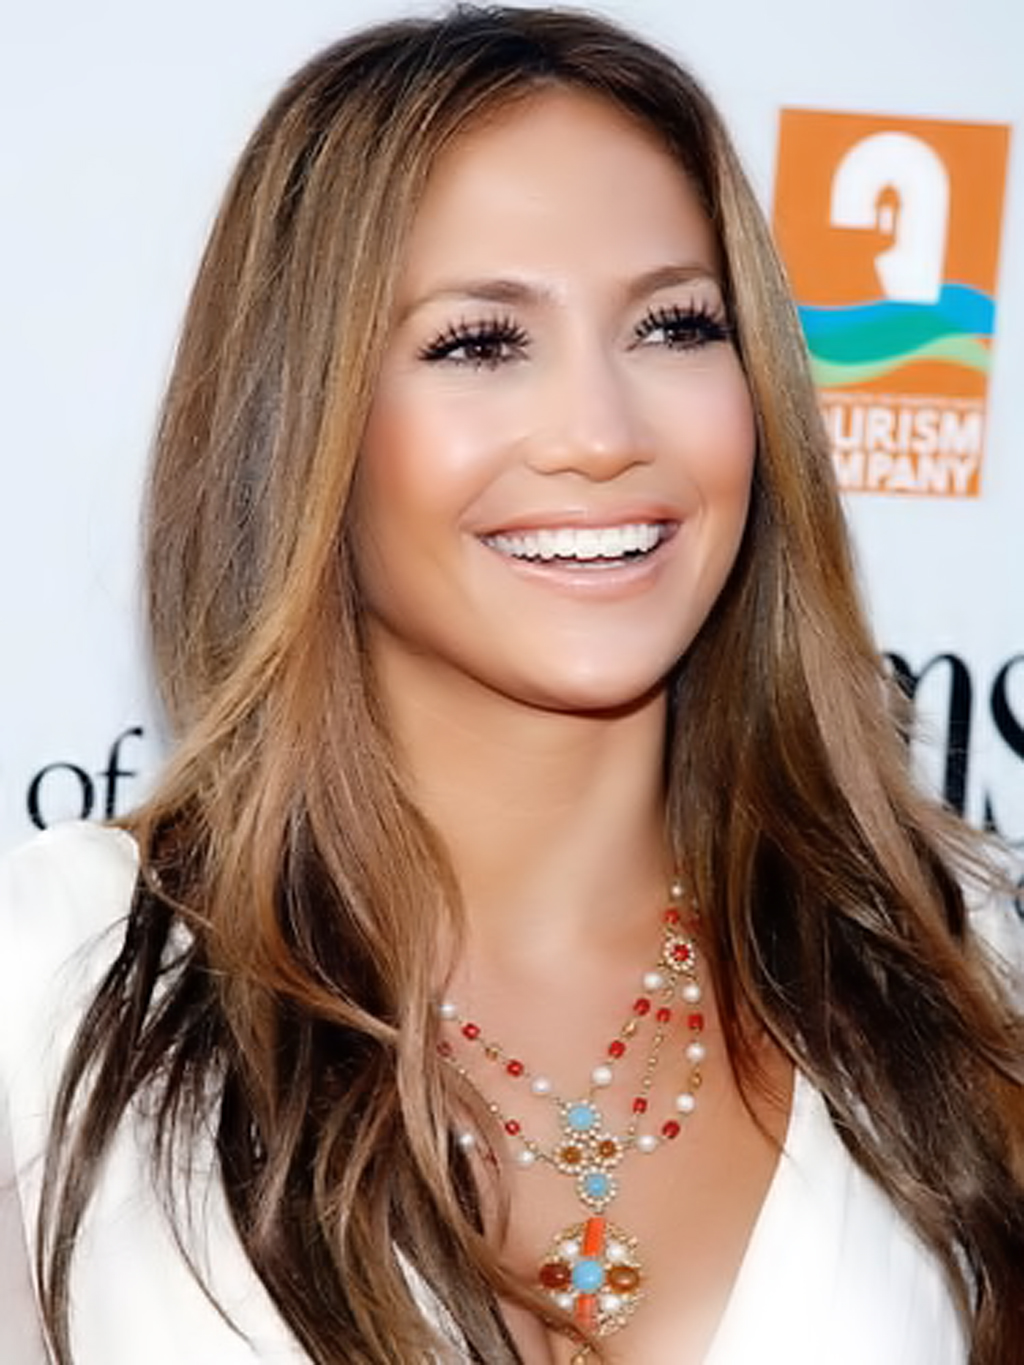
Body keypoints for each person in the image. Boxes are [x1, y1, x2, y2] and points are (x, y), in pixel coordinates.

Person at [1, 7, 1022, 1363]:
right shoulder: (53, 986)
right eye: (480, 343)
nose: (601, 433)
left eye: (675, 325)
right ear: (301, 420)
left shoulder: (968, 974)